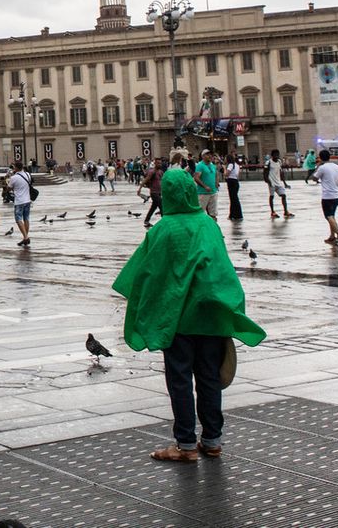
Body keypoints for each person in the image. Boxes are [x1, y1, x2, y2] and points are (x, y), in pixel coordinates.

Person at [113, 166, 266, 462]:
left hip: (178, 318)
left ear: (167, 195)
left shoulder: (163, 229)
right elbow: (223, 269)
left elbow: (144, 274)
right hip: (210, 314)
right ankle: (212, 439)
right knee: (209, 377)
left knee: (180, 379)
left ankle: (185, 445)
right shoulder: (208, 225)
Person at [316, 150, 338, 245]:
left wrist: (318, 167)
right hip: (337, 196)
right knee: (332, 216)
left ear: (320, 158)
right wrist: (334, 183)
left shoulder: (322, 168)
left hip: (327, 196)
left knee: (328, 216)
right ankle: (332, 236)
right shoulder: (337, 166)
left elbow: (314, 178)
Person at [8, 162, 33, 247]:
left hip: (19, 201)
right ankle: (25, 237)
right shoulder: (28, 174)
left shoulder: (14, 177)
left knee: (18, 219)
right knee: (26, 218)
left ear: (15, 168)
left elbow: (9, 188)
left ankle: (26, 237)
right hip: (28, 200)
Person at [265, 150, 293, 219]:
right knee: (271, 196)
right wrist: (269, 182)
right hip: (272, 182)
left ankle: (285, 211)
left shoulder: (279, 162)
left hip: (278, 182)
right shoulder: (268, 162)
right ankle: (272, 212)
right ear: (272, 155)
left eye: (277, 154)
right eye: (275, 155)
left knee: (283, 195)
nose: (276, 156)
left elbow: (281, 173)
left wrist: (285, 183)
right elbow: (265, 174)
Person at [193, 151, 220, 219]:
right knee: (200, 212)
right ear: (203, 156)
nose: (210, 156)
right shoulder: (200, 165)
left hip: (213, 192)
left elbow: (216, 174)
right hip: (203, 193)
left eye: (210, 154)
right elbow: (196, 178)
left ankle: (213, 226)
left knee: (213, 213)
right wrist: (205, 186)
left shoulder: (212, 165)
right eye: (207, 154)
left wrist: (217, 182)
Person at [140, 162, 163, 227]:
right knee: (161, 205)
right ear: (155, 164)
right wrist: (140, 188)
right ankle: (164, 220)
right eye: (158, 163)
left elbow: (163, 180)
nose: (160, 164)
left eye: (160, 163)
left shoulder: (160, 172)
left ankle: (146, 220)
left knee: (153, 207)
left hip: (159, 192)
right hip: (154, 192)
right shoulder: (152, 172)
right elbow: (146, 180)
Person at [224, 154, 243, 222]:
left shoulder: (230, 165)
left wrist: (224, 169)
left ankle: (235, 214)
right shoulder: (237, 165)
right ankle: (233, 214)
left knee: (233, 199)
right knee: (234, 199)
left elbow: (227, 174)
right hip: (235, 181)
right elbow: (238, 174)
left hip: (231, 181)